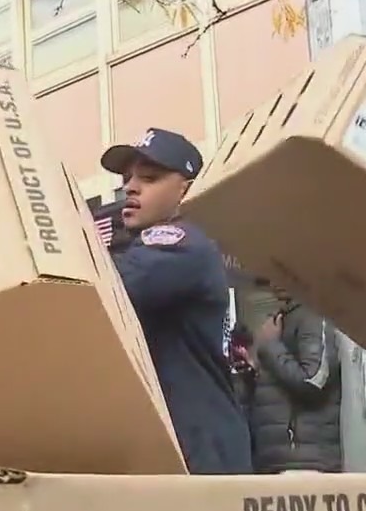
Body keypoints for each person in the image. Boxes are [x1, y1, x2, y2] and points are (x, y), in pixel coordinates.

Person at [100, 127, 252, 474]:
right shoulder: (146, 246)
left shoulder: (181, 244)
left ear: (186, 189)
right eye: (127, 178)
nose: (130, 187)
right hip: (184, 443)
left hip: (198, 447)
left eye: (149, 178)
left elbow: (107, 290)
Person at [248, 286, 342, 474]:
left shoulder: (312, 316)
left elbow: (313, 381)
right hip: (278, 464)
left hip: (305, 465)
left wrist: (270, 346)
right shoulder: (282, 318)